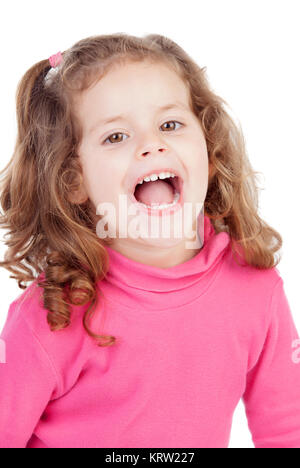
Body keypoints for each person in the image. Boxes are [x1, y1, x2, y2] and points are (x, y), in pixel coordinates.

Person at [0, 33, 299, 448]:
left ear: (209, 152)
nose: (151, 145)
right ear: (73, 181)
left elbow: (287, 431)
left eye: (170, 125)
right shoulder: (50, 315)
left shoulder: (256, 288)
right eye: (116, 136)